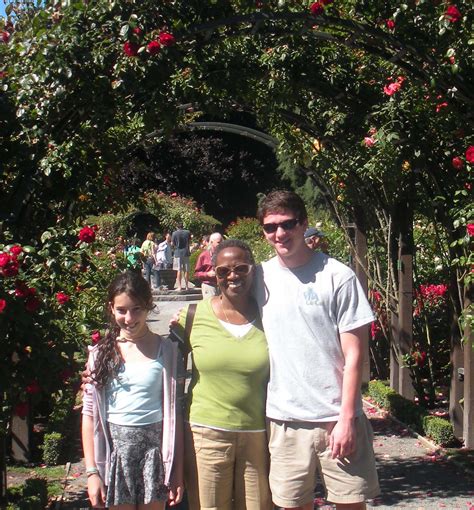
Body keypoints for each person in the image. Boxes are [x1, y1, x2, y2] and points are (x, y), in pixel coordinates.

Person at [255, 190, 379, 510]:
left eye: (288, 224)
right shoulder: (260, 278)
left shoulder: (337, 276)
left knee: (351, 504)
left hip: (336, 417)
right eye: (270, 227)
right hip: (285, 419)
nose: (279, 233)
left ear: (304, 225)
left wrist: (347, 418)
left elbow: (355, 355)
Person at [172, 239, 272, 510]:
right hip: (207, 432)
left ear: (253, 269)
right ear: (213, 274)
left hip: (257, 433)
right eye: (223, 271)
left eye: (241, 268)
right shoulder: (192, 316)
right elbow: (160, 358)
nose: (232, 276)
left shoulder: (270, 318)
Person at [82, 270, 184, 509]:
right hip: (115, 456)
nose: (129, 318)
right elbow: (89, 416)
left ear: (149, 306)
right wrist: (92, 472)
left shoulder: (167, 351)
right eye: (121, 310)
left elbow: (175, 414)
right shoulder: (100, 355)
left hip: (155, 455)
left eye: (137, 309)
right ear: (111, 308)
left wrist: (177, 470)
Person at [193, 232, 223, 298]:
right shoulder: (204, 255)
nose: (221, 244)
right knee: (210, 307)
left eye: (222, 242)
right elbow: (196, 273)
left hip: (222, 286)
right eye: (218, 242)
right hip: (209, 286)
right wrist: (207, 274)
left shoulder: (224, 255)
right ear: (211, 242)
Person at [171, 223, 191, 291]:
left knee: (179, 270)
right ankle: (187, 286)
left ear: (177, 227)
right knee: (186, 270)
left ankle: (179, 286)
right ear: (183, 227)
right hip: (186, 252)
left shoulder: (174, 233)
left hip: (178, 252)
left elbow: (172, 243)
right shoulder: (187, 232)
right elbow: (189, 241)